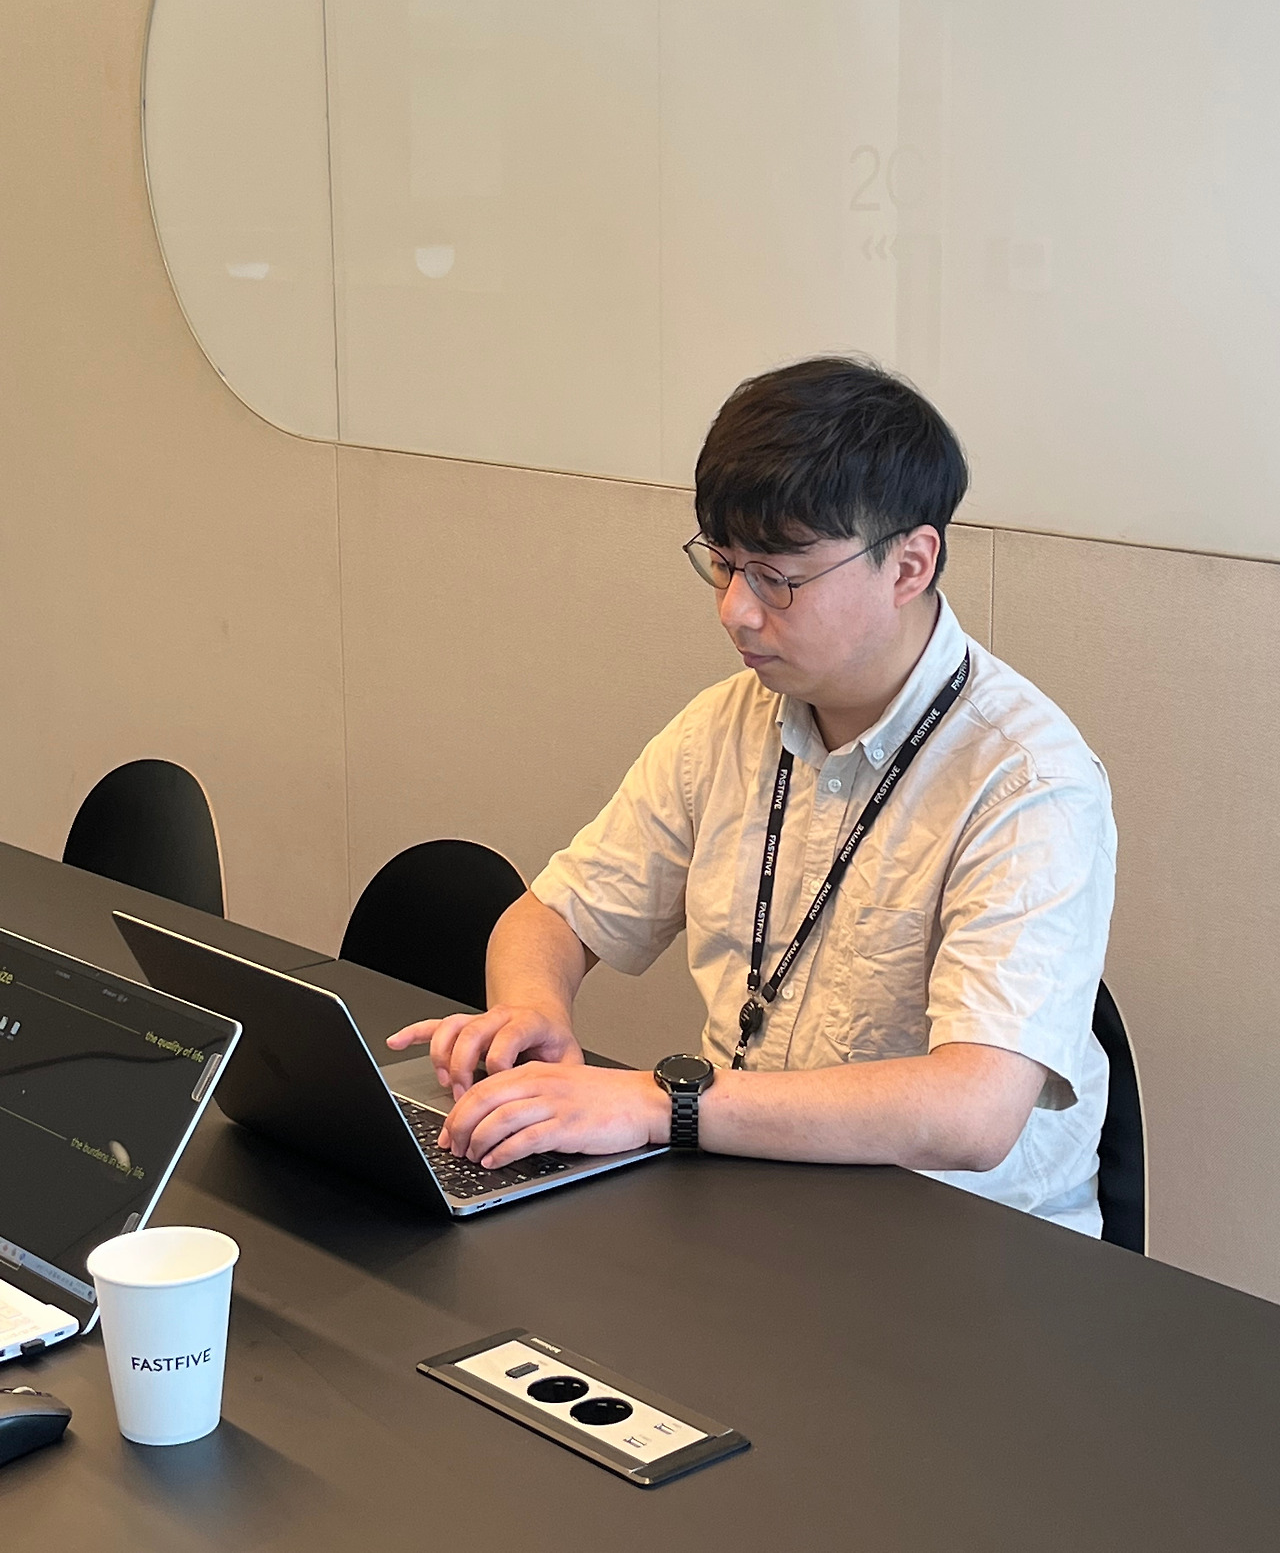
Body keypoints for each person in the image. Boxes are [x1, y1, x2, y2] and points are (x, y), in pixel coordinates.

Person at [388, 357, 1117, 1234]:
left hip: (961, 1249)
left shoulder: (1027, 779)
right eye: (723, 565)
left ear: (908, 566)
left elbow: (972, 1112)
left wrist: (660, 1104)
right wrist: (531, 1015)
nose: (736, 610)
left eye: (777, 577)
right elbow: (549, 918)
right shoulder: (728, 724)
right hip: (747, 1202)